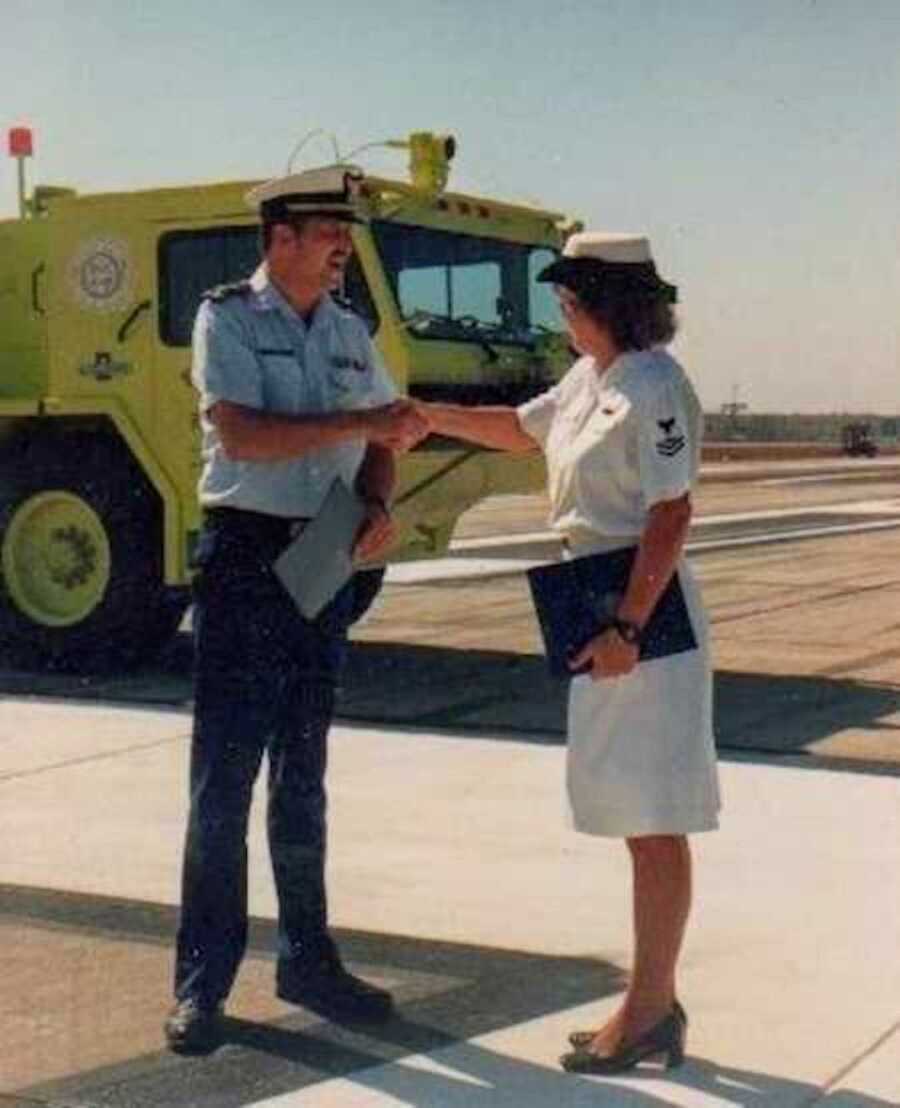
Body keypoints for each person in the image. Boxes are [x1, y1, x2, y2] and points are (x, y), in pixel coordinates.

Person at [413, 232, 720, 1074]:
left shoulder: (655, 386)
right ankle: (652, 996)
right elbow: (518, 428)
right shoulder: (593, 381)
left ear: (603, 304)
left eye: (570, 301)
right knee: (627, 807)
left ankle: (651, 1006)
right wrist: (431, 416)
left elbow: (670, 513)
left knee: (653, 816)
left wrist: (626, 627)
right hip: (601, 601)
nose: (563, 313)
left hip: (640, 612)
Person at [164, 164, 427, 1053]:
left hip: (325, 552)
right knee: (225, 780)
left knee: (304, 774)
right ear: (279, 239)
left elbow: (387, 430)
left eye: (345, 235)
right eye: (327, 234)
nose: (342, 248)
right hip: (245, 554)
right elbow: (240, 432)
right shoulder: (227, 317)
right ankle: (203, 982)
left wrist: (379, 501)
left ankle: (308, 961)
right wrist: (360, 429)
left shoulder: (352, 328)